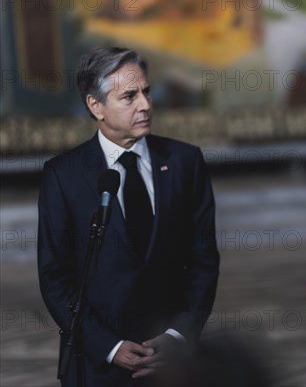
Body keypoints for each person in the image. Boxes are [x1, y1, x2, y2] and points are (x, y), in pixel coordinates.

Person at [38, 47, 220, 386]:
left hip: (175, 366)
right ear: (96, 106)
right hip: (97, 367)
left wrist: (179, 335)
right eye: (129, 96)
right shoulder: (63, 176)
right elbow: (54, 277)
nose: (146, 105)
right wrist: (108, 346)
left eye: (147, 92)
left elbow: (204, 260)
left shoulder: (185, 162)